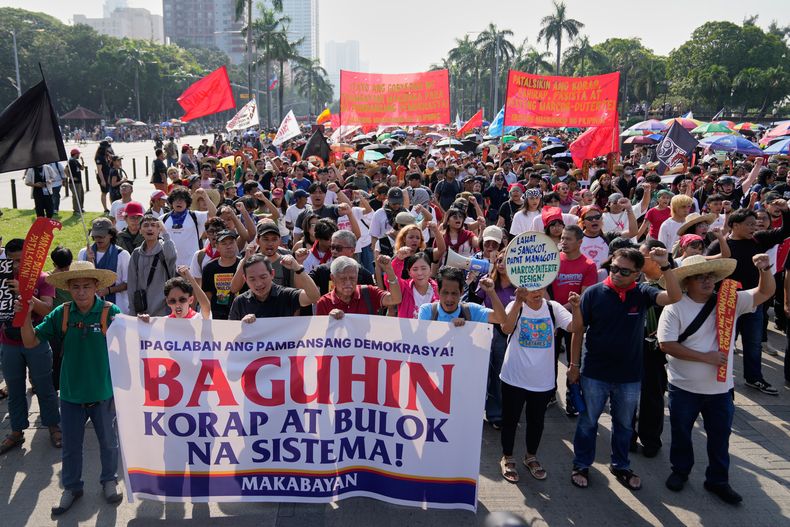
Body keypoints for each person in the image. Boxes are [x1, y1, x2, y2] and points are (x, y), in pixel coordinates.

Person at [658, 254, 775, 505]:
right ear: (687, 282)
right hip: (683, 387)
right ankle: (680, 471)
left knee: (720, 438)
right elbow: (666, 344)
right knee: (681, 433)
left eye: (710, 276)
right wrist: (705, 358)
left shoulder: (729, 301)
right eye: (700, 277)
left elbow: (764, 293)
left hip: (721, 389)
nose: (707, 281)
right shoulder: (674, 306)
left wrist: (765, 270)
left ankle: (718, 480)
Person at [568, 246, 681, 490]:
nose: (617, 274)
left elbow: (674, 297)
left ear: (638, 274)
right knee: (588, 421)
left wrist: (666, 266)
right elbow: (578, 331)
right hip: (594, 372)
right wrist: (573, 365)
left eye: (625, 271)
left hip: (629, 375)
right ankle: (581, 464)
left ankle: (620, 465)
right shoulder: (594, 293)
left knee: (624, 424)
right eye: (614, 268)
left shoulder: (642, 293)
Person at [19, 261, 124, 514]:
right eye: (75, 287)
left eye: (86, 286)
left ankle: (109, 480)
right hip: (69, 394)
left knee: (109, 443)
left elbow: (136, 340)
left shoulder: (111, 313)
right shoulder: (61, 313)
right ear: (68, 287)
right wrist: (24, 314)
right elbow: (31, 341)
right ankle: (72, 487)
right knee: (71, 446)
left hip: (102, 392)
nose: (81, 292)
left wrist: (141, 322)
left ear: (96, 286)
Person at [497, 287, 582, 483]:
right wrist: (518, 302)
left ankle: (531, 457)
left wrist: (576, 307)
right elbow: (506, 329)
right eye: (531, 289)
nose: (536, 292)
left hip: (542, 380)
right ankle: (508, 457)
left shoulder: (553, 308)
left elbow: (575, 327)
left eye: (540, 288)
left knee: (536, 422)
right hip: (514, 377)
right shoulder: (515, 305)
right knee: (510, 420)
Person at [706, 206, 790, 395]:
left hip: (754, 299)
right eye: (749, 224)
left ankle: (754, 378)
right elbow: (704, 266)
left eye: (755, 224)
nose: (754, 227)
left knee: (753, 343)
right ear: (734, 225)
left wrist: (785, 211)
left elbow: (786, 231)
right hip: (725, 302)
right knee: (724, 343)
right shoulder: (720, 245)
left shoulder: (759, 239)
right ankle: (721, 379)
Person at [0, 239, 60, 455]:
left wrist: (26, 293)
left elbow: (47, 311)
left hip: (37, 340)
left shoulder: (43, 278)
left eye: (21, 260)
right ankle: (16, 431)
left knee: (45, 386)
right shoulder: (2, 279)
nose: (16, 265)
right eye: (12, 261)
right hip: (9, 342)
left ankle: (54, 426)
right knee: (15, 390)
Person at [551, 225, 598, 416]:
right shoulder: (553, 260)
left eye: (568, 239)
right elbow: (544, 286)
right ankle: (550, 394)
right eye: (562, 238)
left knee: (573, 361)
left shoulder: (588, 265)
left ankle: (573, 397)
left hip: (574, 319)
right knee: (550, 359)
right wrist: (552, 309)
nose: (563, 242)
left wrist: (561, 309)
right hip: (553, 317)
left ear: (580, 242)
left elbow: (584, 295)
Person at [228, 254, 320, 322]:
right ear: (245, 279)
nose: (258, 283)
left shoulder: (286, 295)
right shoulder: (240, 302)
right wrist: (241, 326)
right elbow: (229, 336)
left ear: (272, 274)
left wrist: (298, 269)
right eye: (252, 279)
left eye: (263, 277)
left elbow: (314, 297)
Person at [316, 255, 402, 317]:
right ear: (333, 278)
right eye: (343, 279)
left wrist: (389, 270)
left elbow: (395, 299)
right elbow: (320, 335)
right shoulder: (324, 302)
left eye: (352, 278)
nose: (348, 283)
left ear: (357, 276)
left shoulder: (368, 292)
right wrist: (330, 320)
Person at [418, 266, 506, 325]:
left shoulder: (472, 311)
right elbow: (421, 341)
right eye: (445, 292)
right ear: (438, 291)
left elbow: (501, 319)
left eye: (454, 293)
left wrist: (491, 292)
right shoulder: (427, 311)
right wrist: (450, 328)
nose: (449, 298)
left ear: (461, 292)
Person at [78, 217, 130, 314]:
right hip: (89, 308)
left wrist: (109, 290)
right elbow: (80, 279)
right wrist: (89, 261)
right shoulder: (83, 253)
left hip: (117, 306)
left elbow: (128, 283)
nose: (98, 239)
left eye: (101, 236)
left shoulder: (122, 255)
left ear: (111, 234)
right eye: (95, 236)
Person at [127, 215, 177, 316]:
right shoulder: (136, 254)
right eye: (145, 225)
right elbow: (132, 284)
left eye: (154, 225)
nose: (149, 228)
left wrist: (165, 233)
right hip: (142, 312)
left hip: (164, 311)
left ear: (159, 230)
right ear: (140, 231)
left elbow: (172, 256)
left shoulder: (165, 249)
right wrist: (132, 311)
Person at [163, 187, 217, 267]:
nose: (179, 202)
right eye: (176, 199)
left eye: (182, 199)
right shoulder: (163, 219)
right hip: (169, 266)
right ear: (171, 202)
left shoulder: (195, 216)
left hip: (191, 265)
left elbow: (213, 213)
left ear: (187, 202)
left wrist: (205, 196)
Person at [309, 230, 374, 295]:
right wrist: (299, 264)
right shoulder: (321, 270)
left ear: (352, 251)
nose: (334, 251)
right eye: (332, 247)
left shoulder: (364, 275)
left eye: (338, 248)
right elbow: (303, 287)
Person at [202, 230, 245, 320]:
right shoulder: (209, 268)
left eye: (231, 242)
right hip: (218, 317)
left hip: (243, 314)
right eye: (224, 243)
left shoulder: (245, 265)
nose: (229, 246)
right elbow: (207, 294)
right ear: (217, 247)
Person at [66, 149, 85, 213]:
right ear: (75, 154)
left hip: (79, 182)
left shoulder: (75, 161)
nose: (79, 155)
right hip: (74, 183)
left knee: (81, 195)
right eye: (78, 154)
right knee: (76, 196)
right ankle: (76, 210)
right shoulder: (71, 161)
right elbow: (65, 170)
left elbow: (82, 168)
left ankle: (80, 208)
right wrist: (71, 178)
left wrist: (82, 161)